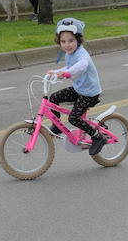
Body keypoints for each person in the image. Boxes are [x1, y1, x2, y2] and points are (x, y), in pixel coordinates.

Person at [45, 17, 108, 156]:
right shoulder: (69, 54)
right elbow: (69, 67)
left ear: (78, 40)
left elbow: (81, 66)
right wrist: (55, 72)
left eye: (71, 41)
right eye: (63, 41)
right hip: (79, 89)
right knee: (53, 98)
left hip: (89, 93)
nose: (67, 45)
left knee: (74, 118)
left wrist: (66, 74)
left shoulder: (81, 54)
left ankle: (97, 137)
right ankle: (57, 125)